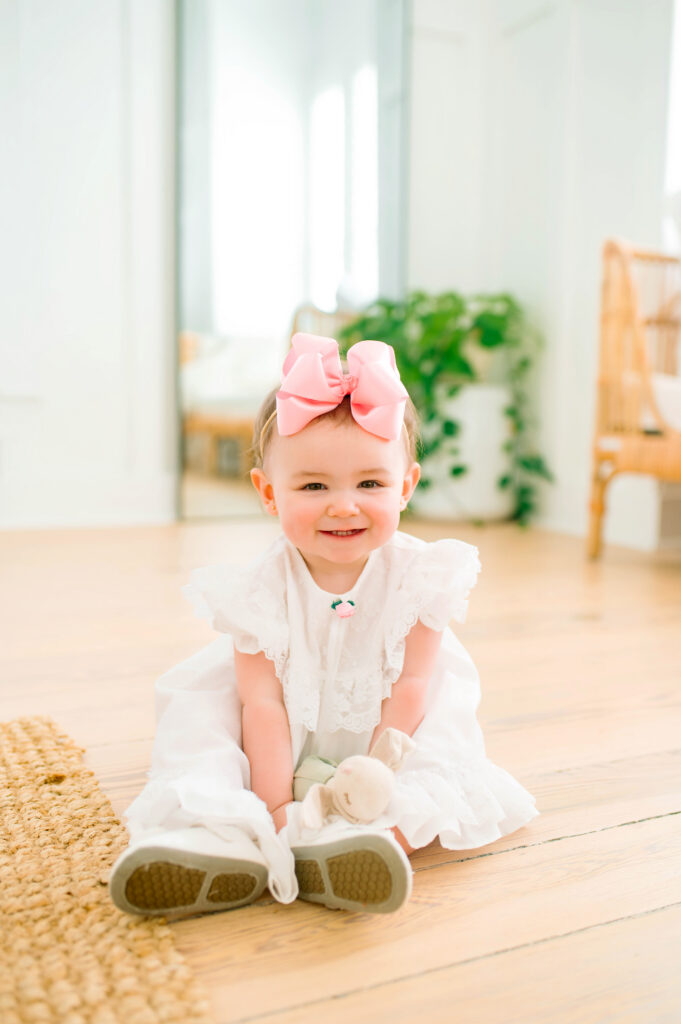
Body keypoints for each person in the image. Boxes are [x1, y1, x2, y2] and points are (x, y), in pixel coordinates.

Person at [109, 333, 537, 918]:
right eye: (313, 486)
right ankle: (222, 836)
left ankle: (369, 843)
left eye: (370, 484)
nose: (344, 505)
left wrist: (375, 777)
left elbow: (412, 687)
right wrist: (278, 808)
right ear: (268, 492)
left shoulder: (421, 575)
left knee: (440, 750)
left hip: (392, 725)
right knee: (201, 726)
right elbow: (260, 705)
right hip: (278, 727)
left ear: (406, 486)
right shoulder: (258, 590)